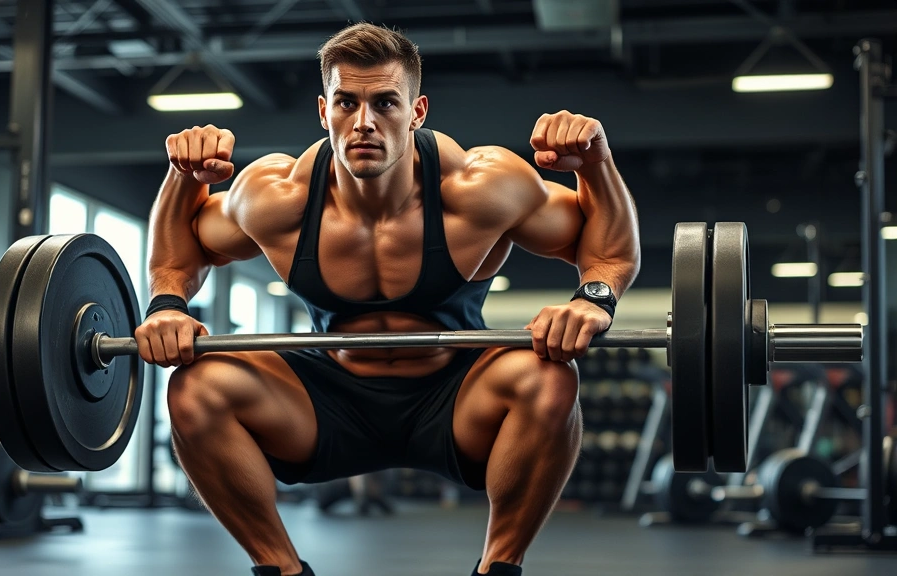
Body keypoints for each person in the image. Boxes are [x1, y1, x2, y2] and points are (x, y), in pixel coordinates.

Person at [137, 22, 640, 576]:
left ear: (417, 111)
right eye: (346, 103)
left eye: (385, 103)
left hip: (456, 399)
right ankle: (280, 568)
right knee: (195, 387)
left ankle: (499, 567)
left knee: (548, 376)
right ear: (323, 111)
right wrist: (180, 197)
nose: (364, 123)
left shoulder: (480, 188)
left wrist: (596, 177)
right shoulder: (276, 197)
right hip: (327, 401)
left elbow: (604, 247)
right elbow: (181, 256)